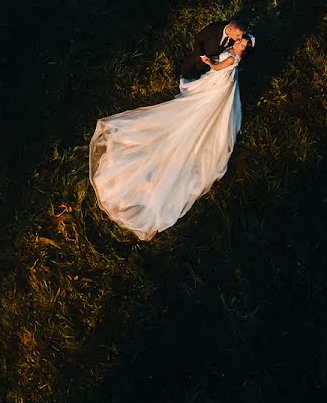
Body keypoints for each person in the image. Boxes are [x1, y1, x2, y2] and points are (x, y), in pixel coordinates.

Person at [89, 34, 254, 240]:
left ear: (245, 50)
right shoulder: (232, 51)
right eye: (240, 40)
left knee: (203, 112)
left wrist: (207, 61)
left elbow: (218, 68)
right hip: (217, 83)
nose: (238, 43)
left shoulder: (232, 59)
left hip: (218, 82)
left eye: (242, 44)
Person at [179, 18, 248, 80]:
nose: (240, 37)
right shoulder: (213, 29)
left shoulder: (236, 39)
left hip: (212, 65)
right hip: (198, 58)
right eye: (238, 35)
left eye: (241, 35)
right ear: (230, 30)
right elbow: (197, 39)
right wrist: (202, 55)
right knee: (186, 76)